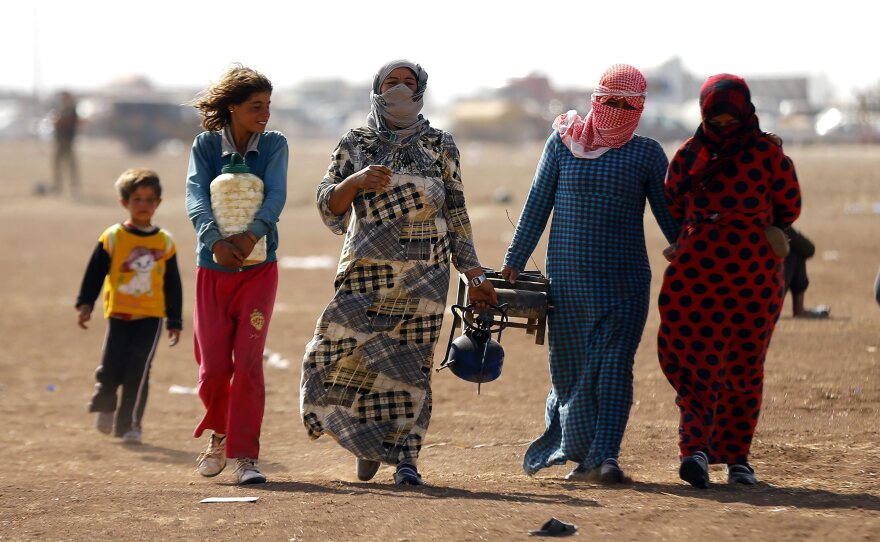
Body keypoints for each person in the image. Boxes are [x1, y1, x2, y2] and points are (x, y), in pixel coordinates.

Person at [300, 60, 497, 486]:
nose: (402, 89)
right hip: (366, 271)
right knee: (338, 351)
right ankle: (366, 441)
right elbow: (327, 204)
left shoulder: (440, 143)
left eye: (410, 83)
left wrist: (474, 274)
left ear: (423, 89)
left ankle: (406, 458)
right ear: (377, 88)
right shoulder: (356, 141)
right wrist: (353, 182)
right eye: (393, 83)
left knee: (410, 367)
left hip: (425, 275)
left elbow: (456, 210)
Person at [501, 64, 680, 483]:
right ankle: (583, 453)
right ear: (596, 100)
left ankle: (607, 456)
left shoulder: (647, 154)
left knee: (615, 368)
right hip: (568, 286)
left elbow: (671, 219)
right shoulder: (563, 144)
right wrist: (514, 258)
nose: (617, 110)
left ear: (640, 108)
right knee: (572, 373)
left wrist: (690, 246)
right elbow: (536, 205)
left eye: (627, 104)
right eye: (610, 101)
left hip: (625, 283)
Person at [657, 74, 801, 488]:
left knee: (695, 365)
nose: (722, 126)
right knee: (745, 367)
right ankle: (738, 459)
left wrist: (697, 228)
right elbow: (790, 205)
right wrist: (762, 221)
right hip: (754, 277)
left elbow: (672, 201)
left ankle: (696, 451)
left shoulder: (689, 154)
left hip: (697, 274)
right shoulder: (768, 154)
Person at [185, 64, 288, 485]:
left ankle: (246, 455)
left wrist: (251, 238)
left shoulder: (275, 144)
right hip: (213, 270)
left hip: (258, 270)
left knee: (247, 364)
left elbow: (276, 194)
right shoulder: (206, 146)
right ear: (232, 108)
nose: (264, 114)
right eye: (255, 106)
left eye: (268, 105)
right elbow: (195, 195)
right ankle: (219, 433)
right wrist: (215, 241)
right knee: (212, 368)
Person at [75, 169, 182, 445]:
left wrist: (174, 320)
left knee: (139, 370)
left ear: (158, 203)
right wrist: (86, 303)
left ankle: (130, 425)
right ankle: (106, 403)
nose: (143, 205)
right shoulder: (112, 237)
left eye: (149, 199)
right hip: (119, 313)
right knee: (110, 367)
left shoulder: (165, 242)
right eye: (137, 199)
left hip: (151, 316)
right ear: (125, 202)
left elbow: (173, 284)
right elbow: (95, 273)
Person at [783, 227, 829, 318]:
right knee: (797, 252)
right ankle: (799, 310)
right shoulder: (771, 219)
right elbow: (809, 248)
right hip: (764, 291)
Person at [52, 90, 81, 196]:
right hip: (60, 141)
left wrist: (60, 121)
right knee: (57, 164)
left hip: (68, 140)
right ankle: (57, 186)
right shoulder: (60, 109)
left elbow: (70, 122)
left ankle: (74, 187)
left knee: (71, 165)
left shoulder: (71, 109)